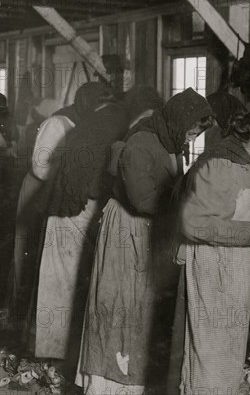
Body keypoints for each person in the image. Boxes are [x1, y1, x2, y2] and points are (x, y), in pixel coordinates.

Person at [76, 88, 211, 395]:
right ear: (178, 122)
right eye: (190, 132)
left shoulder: (170, 143)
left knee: (141, 307)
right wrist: (190, 209)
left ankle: (134, 380)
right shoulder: (140, 143)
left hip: (151, 228)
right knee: (122, 303)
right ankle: (110, 383)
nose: (190, 139)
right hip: (128, 229)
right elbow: (143, 199)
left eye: (195, 134)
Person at [176, 106, 250, 393]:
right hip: (214, 263)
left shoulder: (240, 160)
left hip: (230, 262)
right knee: (212, 349)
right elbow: (195, 224)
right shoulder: (224, 164)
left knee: (227, 347)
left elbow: (229, 209)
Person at [31, 83, 130, 373]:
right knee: (62, 280)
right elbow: (43, 167)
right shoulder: (94, 122)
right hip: (71, 207)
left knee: (62, 280)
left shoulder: (93, 123)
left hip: (73, 206)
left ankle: (56, 351)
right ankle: (55, 352)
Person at [11, 84, 108, 329]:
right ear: (86, 102)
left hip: (55, 191)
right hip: (39, 189)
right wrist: (67, 176)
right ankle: (19, 313)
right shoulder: (58, 123)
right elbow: (39, 165)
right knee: (29, 247)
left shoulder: (85, 125)